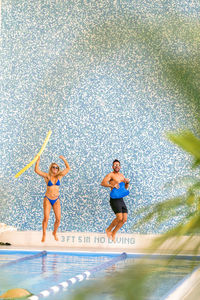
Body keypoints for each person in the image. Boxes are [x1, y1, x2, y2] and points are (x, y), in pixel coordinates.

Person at [35, 155, 70, 242]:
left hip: (56, 199)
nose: (55, 169)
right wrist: (38, 161)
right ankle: (44, 234)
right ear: (51, 168)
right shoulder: (47, 176)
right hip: (48, 198)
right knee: (46, 218)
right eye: (53, 167)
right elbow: (36, 170)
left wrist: (64, 159)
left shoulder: (60, 176)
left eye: (57, 167)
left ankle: (54, 232)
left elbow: (68, 168)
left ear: (58, 169)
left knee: (58, 219)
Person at [101, 159, 130, 242]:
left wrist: (127, 182)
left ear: (120, 166)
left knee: (124, 219)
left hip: (121, 199)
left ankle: (113, 233)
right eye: (115, 165)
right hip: (114, 199)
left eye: (118, 165)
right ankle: (108, 230)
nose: (117, 166)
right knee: (119, 218)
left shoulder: (121, 176)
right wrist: (112, 185)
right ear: (112, 167)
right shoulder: (110, 175)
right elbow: (103, 183)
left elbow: (125, 188)